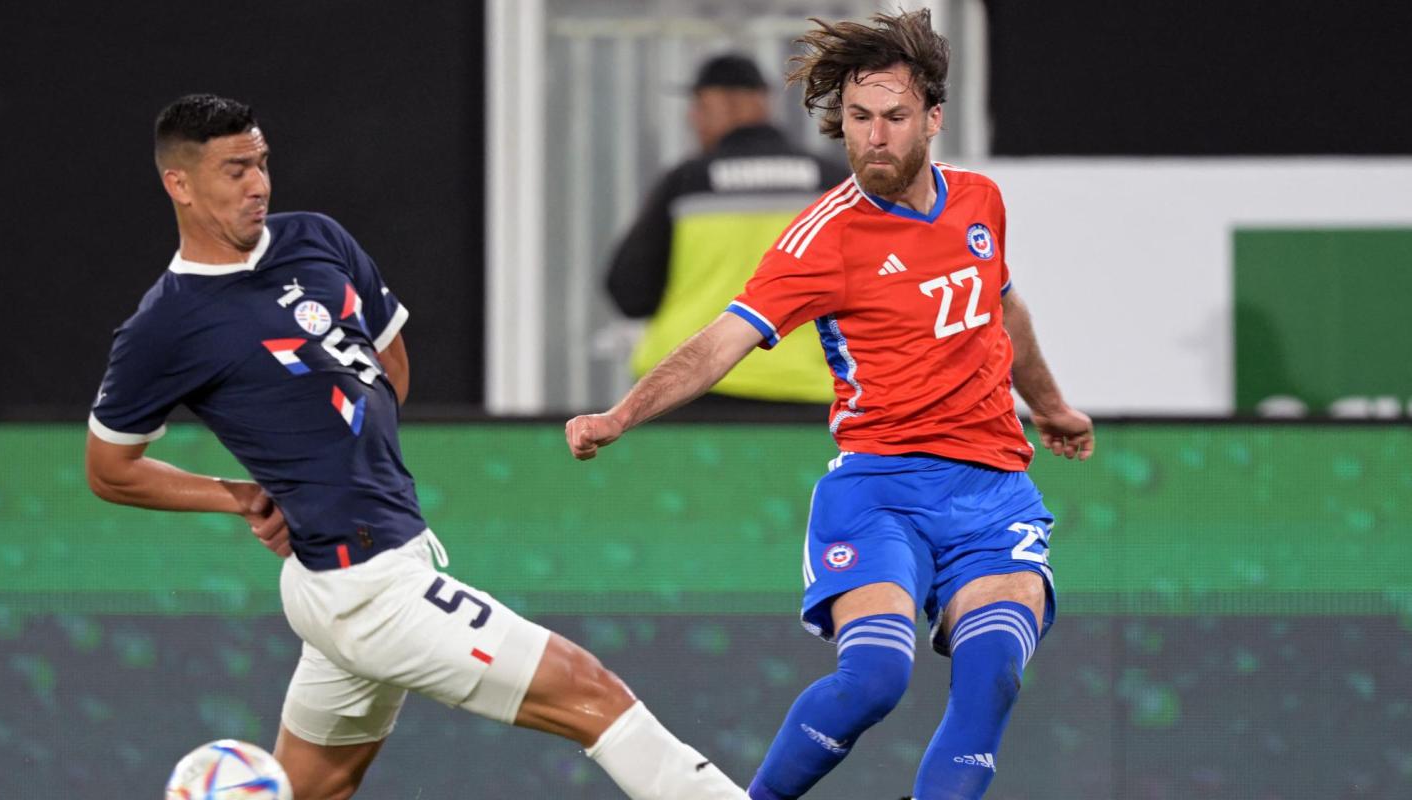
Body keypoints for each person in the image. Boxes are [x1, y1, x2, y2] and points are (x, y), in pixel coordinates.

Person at [85, 93, 748, 800]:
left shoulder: (315, 238)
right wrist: (243, 497)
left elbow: (387, 367)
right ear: (179, 184)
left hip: (366, 562)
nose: (259, 185)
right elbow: (111, 469)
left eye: (262, 163)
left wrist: (337, 473)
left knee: (317, 786)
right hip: (362, 588)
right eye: (234, 170)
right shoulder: (167, 325)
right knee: (590, 693)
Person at [567, 10, 1094, 800]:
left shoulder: (979, 201)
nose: (873, 137)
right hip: (878, 490)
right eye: (857, 118)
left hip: (990, 491)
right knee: (874, 679)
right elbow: (720, 342)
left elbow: (1003, 309)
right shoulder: (821, 239)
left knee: (991, 674)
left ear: (932, 119)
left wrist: (1048, 406)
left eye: (893, 117)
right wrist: (618, 415)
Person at [606, 53, 848, 412]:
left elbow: (630, 293)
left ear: (731, 102)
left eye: (700, 106)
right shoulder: (833, 183)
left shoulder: (687, 182)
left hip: (694, 387)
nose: (693, 118)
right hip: (806, 390)